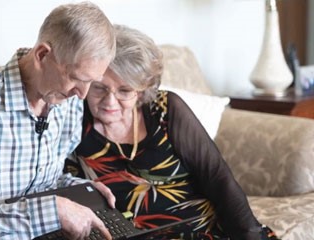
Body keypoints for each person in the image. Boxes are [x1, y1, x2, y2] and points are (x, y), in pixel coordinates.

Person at [64, 24, 279, 239]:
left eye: (125, 91)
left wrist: (249, 235)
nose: (110, 101)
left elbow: (217, 178)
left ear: (142, 91)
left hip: (205, 230)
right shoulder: (71, 123)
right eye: (99, 88)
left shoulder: (165, 109)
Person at [0, 2, 117, 239]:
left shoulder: (67, 102)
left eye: (91, 82)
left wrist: (80, 192)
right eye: (76, 78)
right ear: (42, 55)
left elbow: (43, 182)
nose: (82, 95)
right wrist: (53, 211)